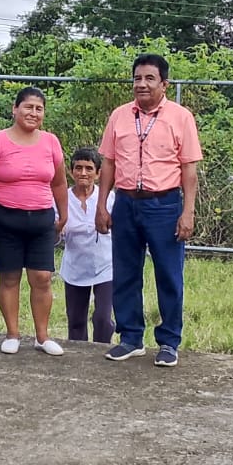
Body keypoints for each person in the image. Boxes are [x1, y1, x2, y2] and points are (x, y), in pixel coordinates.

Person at [95, 53, 202, 367]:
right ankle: (130, 338)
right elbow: (109, 163)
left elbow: (189, 169)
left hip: (164, 205)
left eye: (149, 78)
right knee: (125, 272)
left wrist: (188, 212)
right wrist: (102, 205)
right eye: (137, 78)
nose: (141, 84)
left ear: (164, 84)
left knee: (169, 275)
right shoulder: (119, 116)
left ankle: (169, 342)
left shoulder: (181, 117)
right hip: (126, 203)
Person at [0, 87, 68, 355]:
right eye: (28, 107)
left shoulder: (51, 141)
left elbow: (59, 182)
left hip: (41, 219)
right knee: (9, 277)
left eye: (39, 109)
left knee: (42, 277)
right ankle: (12, 334)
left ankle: (42, 337)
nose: (33, 113)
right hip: (3, 218)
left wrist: (64, 214)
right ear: (15, 109)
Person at [59, 146, 115, 343]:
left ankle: (102, 352)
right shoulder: (62, 199)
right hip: (75, 268)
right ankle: (78, 356)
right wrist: (58, 229)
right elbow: (54, 234)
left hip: (105, 266)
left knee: (102, 319)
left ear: (98, 174)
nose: (83, 173)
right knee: (76, 322)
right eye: (78, 168)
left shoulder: (109, 198)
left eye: (89, 168)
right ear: (71, 171)